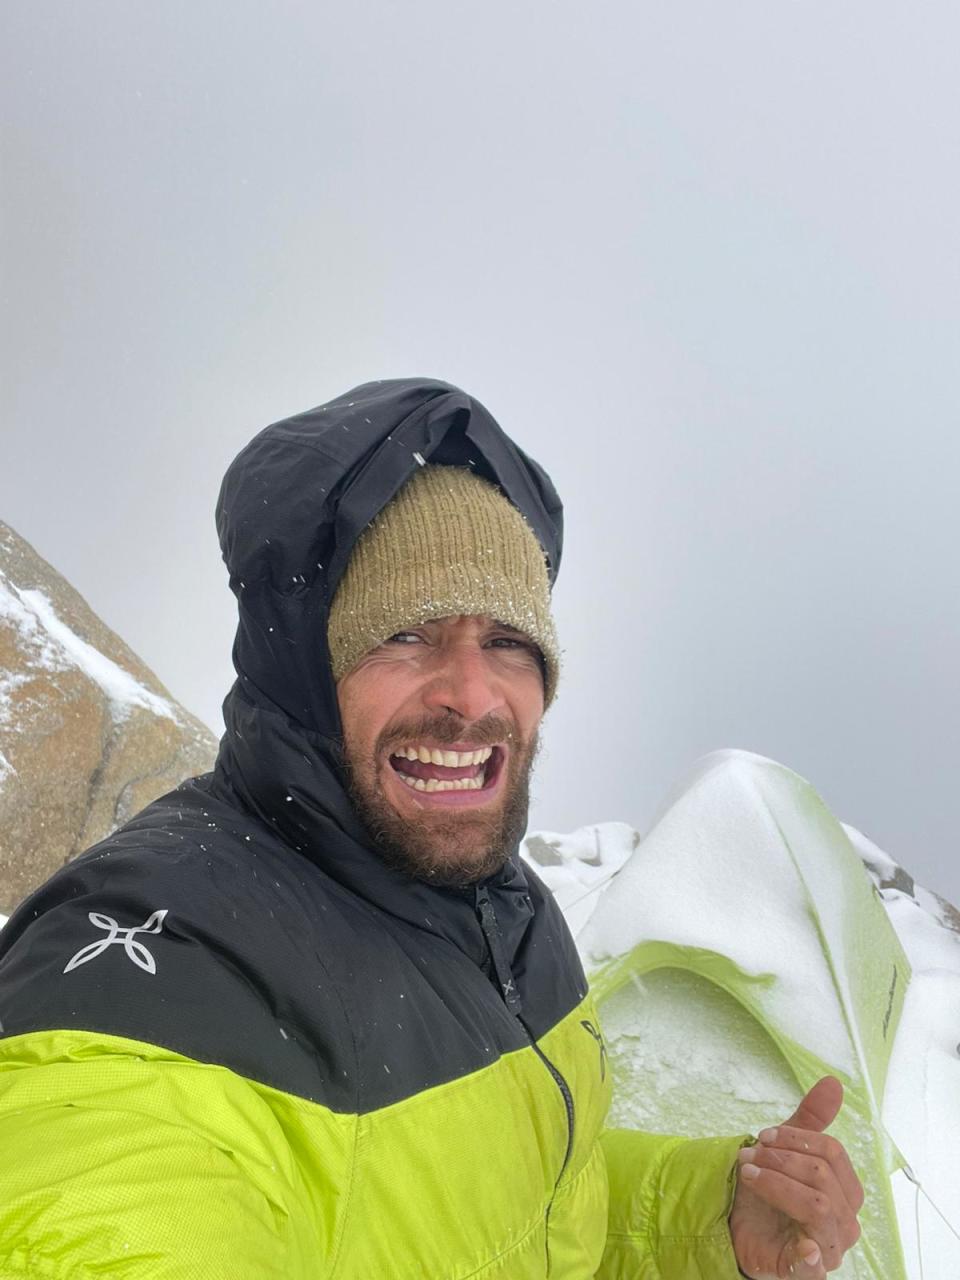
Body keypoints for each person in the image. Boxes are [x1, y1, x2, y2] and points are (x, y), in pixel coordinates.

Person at [0, 378, 862, 1278]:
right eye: (406, 634)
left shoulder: (505, 911)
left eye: (508, 642)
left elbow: (523, 1201)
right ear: (303, 672)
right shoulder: (156, 970)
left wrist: (711, 1217)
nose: (473, 693)